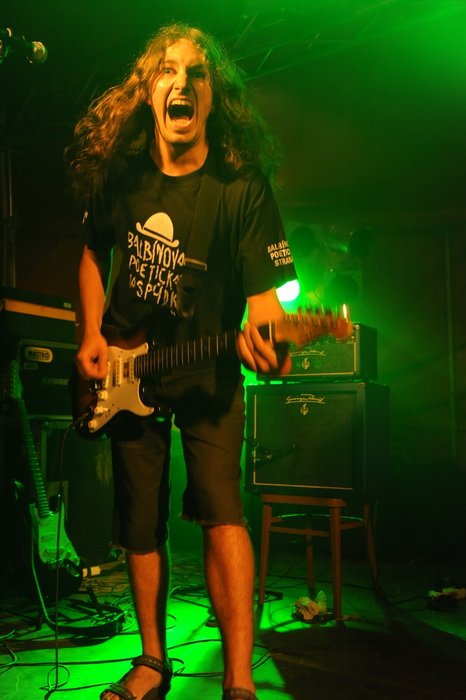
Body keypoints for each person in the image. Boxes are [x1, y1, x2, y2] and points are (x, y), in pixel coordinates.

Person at [68, 22, 296, 700]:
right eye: (167, 70)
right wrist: (90, 334)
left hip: (208, 369)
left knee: (224, 512)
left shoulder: (241, 186)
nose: (182, 81)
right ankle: (152, 661)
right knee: (140, 520)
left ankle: (237, 680)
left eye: (197, 72)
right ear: (148, 91)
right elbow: (92, 253)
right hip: (125, 369)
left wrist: (270, 341)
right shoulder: (122, 176)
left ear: (212, 96)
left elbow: (265, 303)